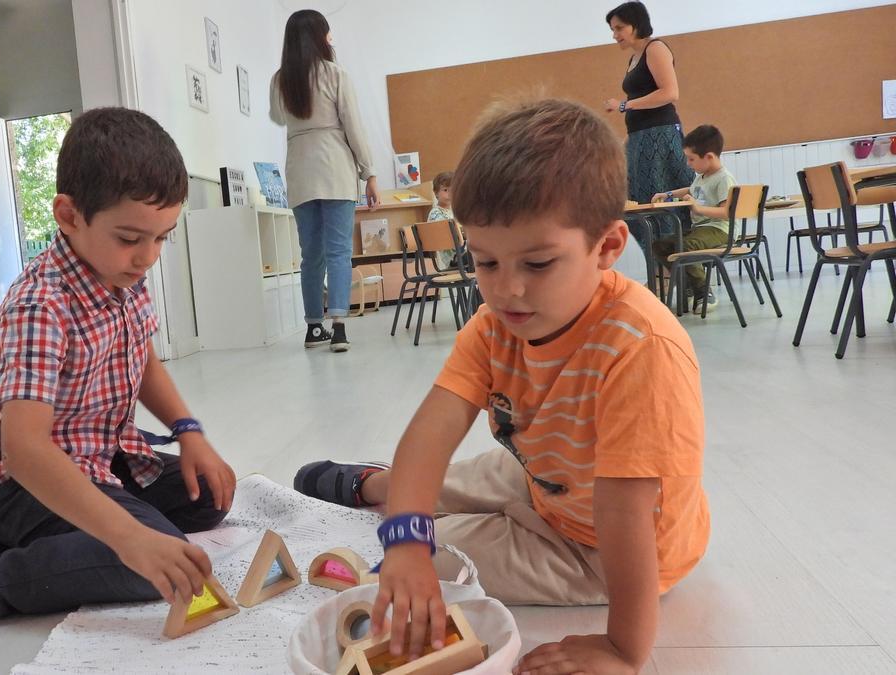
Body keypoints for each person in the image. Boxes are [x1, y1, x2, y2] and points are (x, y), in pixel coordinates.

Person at [294, 99, 709, 675]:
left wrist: (623, 649)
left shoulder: (640, 349)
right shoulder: (494, 327)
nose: (507, 289)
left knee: (423, 558)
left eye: (537, 265)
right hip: (544, 474)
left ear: (608, 248)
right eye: (485, 262)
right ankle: (378, 487)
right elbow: (432, 432)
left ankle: (392, 505)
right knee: (435, 501)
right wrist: (406, 533)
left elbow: (626, 512)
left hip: (598, 551)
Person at [0, 108, 237, 659]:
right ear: (68, 215)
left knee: (209, 501)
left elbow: (143, 358)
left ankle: (69, 537)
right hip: (21, 483)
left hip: (100, 453)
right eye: (131, 237)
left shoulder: (122, 274)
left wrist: (190, 432)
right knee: (148, 563)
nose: (147, 257)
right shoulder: (42, 305)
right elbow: (26, 452)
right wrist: (129, 539)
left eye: (162, 239)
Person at [270, 9, 379, 354]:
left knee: (310, 255)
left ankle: (313, 327)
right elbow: (354, 126)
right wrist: (369, 172)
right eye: (328, 33)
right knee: (339, 252)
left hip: (300, 170)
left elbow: (276, 117)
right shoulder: (335, 74)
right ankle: (340, 327)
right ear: (320, 37)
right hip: (335, 167)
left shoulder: (280, 80)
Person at [604, 1, 695, 254]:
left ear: (637, 24)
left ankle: (676, 272)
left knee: (660, 200)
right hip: (641, 138)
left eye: (619, 28)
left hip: (660, 137)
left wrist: (624, 105)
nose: (615, 35)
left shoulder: (655, 48)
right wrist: (628, 141)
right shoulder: (634, 58)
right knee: (636, 202)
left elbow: (670, 92)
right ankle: (661, 268)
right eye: (613, 29)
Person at [651, 124, 736, 312]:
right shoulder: (702, 176)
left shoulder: (723, 178)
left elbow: (726, 213)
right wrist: (668, 194)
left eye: (691, 159)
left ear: (709, 157)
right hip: (702, 230)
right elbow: (690, 190)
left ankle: (704, 291)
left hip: (719, 230)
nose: (688, 164)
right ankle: (690, 286)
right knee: (660, 245)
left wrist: (698, 208)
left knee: (685, 246)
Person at [427, 171, 456, 270]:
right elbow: (445, 234)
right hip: (453, 260)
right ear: (436, 192)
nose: (449, 194)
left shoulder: (453, 212)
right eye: (445, 190)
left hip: (460, 257)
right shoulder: (435, 213)